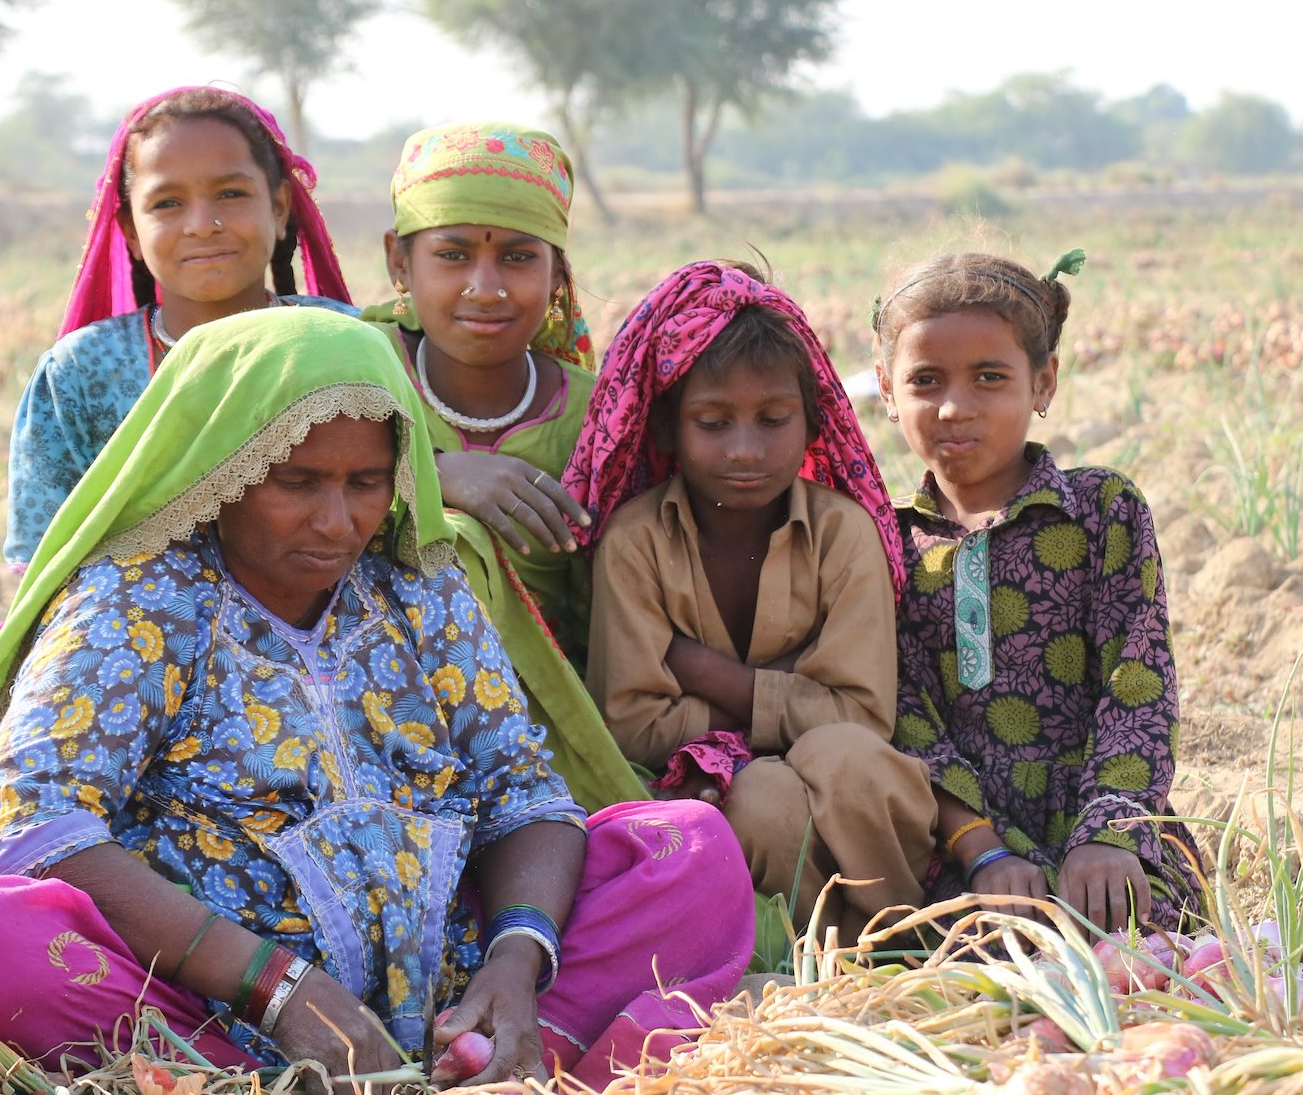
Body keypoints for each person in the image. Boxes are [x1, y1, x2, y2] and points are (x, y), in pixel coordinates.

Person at [0, 309, 754, 1092]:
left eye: (366, 483)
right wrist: (276, 987)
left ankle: (495, 1055)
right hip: (212, 1002)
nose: (338, 522)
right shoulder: (137, 598)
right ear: (227, 466)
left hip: (445, 973)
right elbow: (28, 824)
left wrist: (518, 960)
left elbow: (521, 792)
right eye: (298, 483)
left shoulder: (423, 588)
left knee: (696, 851)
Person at [0, 87, 354, 862]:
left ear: (283, 205)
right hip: (128, 668)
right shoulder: (83, 372)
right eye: (168, 202)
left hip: (328, 651)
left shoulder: (340, 346)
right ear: (127, 225)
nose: (204, 223)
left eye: (232, 193)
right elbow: (39, 565)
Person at [573, 261, 933, 944]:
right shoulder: (636, 543)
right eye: (713, 422)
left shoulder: (841, 533)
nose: (745, 450)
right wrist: (788, 692)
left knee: (843, 758)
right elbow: (632, 726)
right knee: (762, 800)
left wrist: (702, 672)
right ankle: (830, 959)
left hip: (855, 800)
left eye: (772, 419)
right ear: (666, 430)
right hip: (718, 805)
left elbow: (859, 716)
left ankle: (911, 932)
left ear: (811, 421)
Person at [875, 249, 1202, 930]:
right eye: (926, 380)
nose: (955, 407)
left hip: (1107, 831)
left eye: (990, 377)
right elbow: (902, 715)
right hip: (963, 848)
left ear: (1043, 382)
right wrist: (982, 848)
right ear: (886, 389)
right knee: (976, 962)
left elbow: (1139, 684)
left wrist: (1108, 834)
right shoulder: (883, 540)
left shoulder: (1100, 511)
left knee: (1146, 956)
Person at [358, 121, 644, 814]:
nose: (485, 288)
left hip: (543, 724)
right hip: (360, 716)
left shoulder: (598, 417)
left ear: (556, 273)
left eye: (518, 257)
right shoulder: (350, 370)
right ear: (400, 262)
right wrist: (432, 474)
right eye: (452, 254)